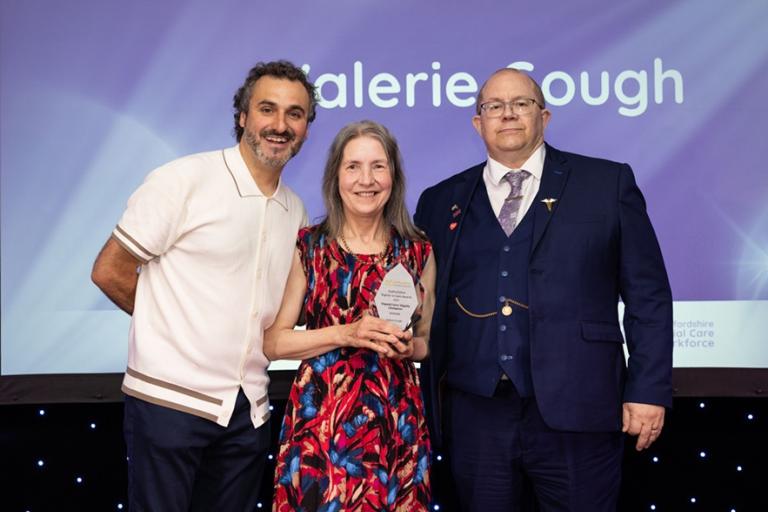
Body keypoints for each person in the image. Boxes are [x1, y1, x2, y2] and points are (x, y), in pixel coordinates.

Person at [414, 68, 673, 511]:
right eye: (493, 106)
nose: (508, 114)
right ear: (479, 123)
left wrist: (647, 389)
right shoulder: (439, 200)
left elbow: (647, 294)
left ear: (544, 116)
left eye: (521, 104)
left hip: (581, 408)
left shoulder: (606, 184)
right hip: (477, 413)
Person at [90, 60, 317, 511]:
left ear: (307, 127)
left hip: (247, 409)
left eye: (295, 114)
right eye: (267, 109)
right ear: (242, 116)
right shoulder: (184, 180)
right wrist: (172, 330)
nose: (279, 125)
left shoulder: (295, 210)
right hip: (168, 401)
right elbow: (109, 271)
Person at [264, 120, 436, 511]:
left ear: (393, 174)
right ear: (336, 176)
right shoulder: (310, 245)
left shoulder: (418, 251)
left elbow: (428, 342)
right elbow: (274, 342)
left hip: (396, 428)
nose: (366, 179)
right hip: (322, 430)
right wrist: (348, 333)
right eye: (353, 166)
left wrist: (411, 347)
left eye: (378, 166)